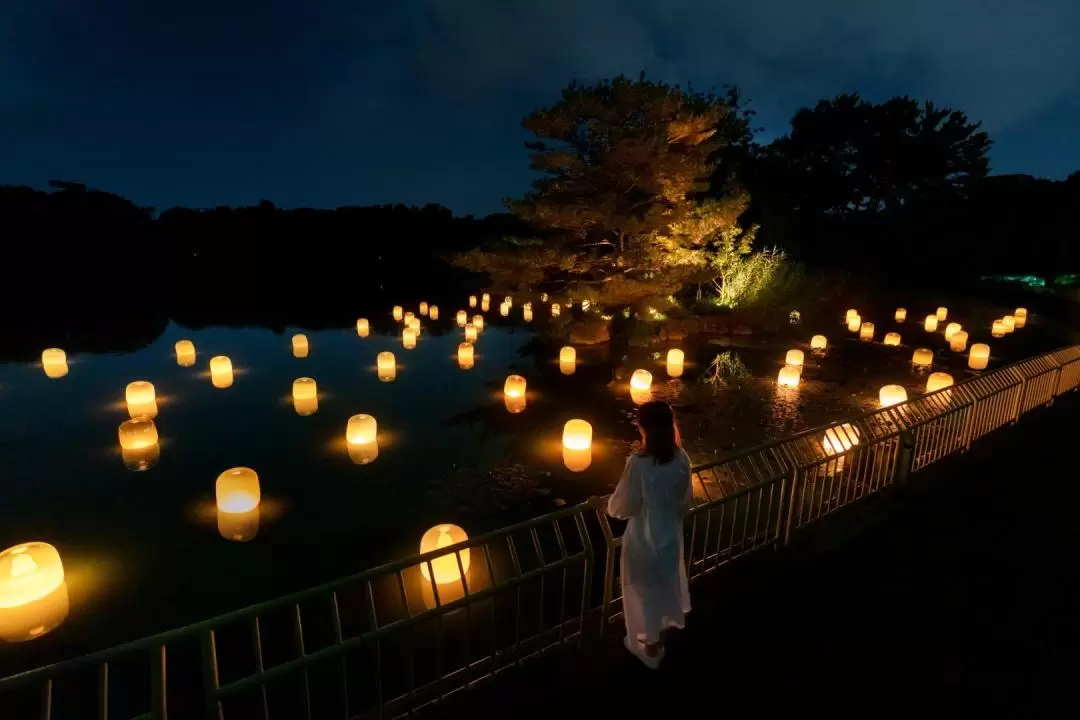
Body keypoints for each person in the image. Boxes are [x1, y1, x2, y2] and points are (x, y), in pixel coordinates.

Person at [592, 400, 692, 669]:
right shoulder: (682, 458)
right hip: (670, 534)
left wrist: (606, 506)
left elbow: (624, 505)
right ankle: (658, 637)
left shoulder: (638, 464)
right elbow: (685, 501)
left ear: (642, 427)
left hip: (643, 538)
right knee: (663, 584)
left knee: (643, 590)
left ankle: (651, 649)